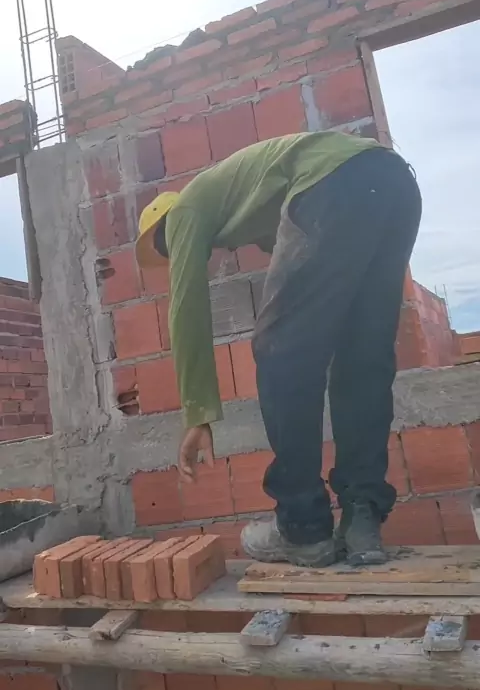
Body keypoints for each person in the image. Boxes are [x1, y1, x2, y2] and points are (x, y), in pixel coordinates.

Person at [135, 131, 421, 567]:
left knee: (281, 351)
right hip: (393, 184)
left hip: (334, 182)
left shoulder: (186, 208)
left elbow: (186, 307)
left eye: (164, 246)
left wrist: (197, 412)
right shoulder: (244, 199)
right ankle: (362, 517)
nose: (171, 251)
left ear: (164, 226)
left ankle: (302, 527)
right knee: (362, 356)